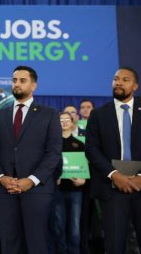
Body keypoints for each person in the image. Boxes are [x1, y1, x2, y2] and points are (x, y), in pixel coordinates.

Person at [0, 65, 62, 254]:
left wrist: (31, 180)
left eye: (22, 80)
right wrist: (1, 177)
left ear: (33, 86)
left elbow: (53, 152)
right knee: (10, 244)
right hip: (5, 190)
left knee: (37, 243)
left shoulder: (49, 114)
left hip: (37, 190)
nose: (16, 84)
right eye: (14, 80)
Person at [85, 67, 141, 254]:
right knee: (113, 245)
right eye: (116, 79)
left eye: (125, 79)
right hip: (111, 188)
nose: (118, 82)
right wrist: (114, 175)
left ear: (135, 86)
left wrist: (140, 176)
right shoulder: (99, 114)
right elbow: (91, 149)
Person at [49, 112, 86, 254]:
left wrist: (83, 180)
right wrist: (53, 177)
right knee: (58, 226)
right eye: (60, 120)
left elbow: (85, 168)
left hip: (75, 190)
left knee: (75, 228)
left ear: (72, 122)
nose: (64, 122)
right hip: (56, 190)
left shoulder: (80, 144)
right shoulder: (51, 144)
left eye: (67, 119)